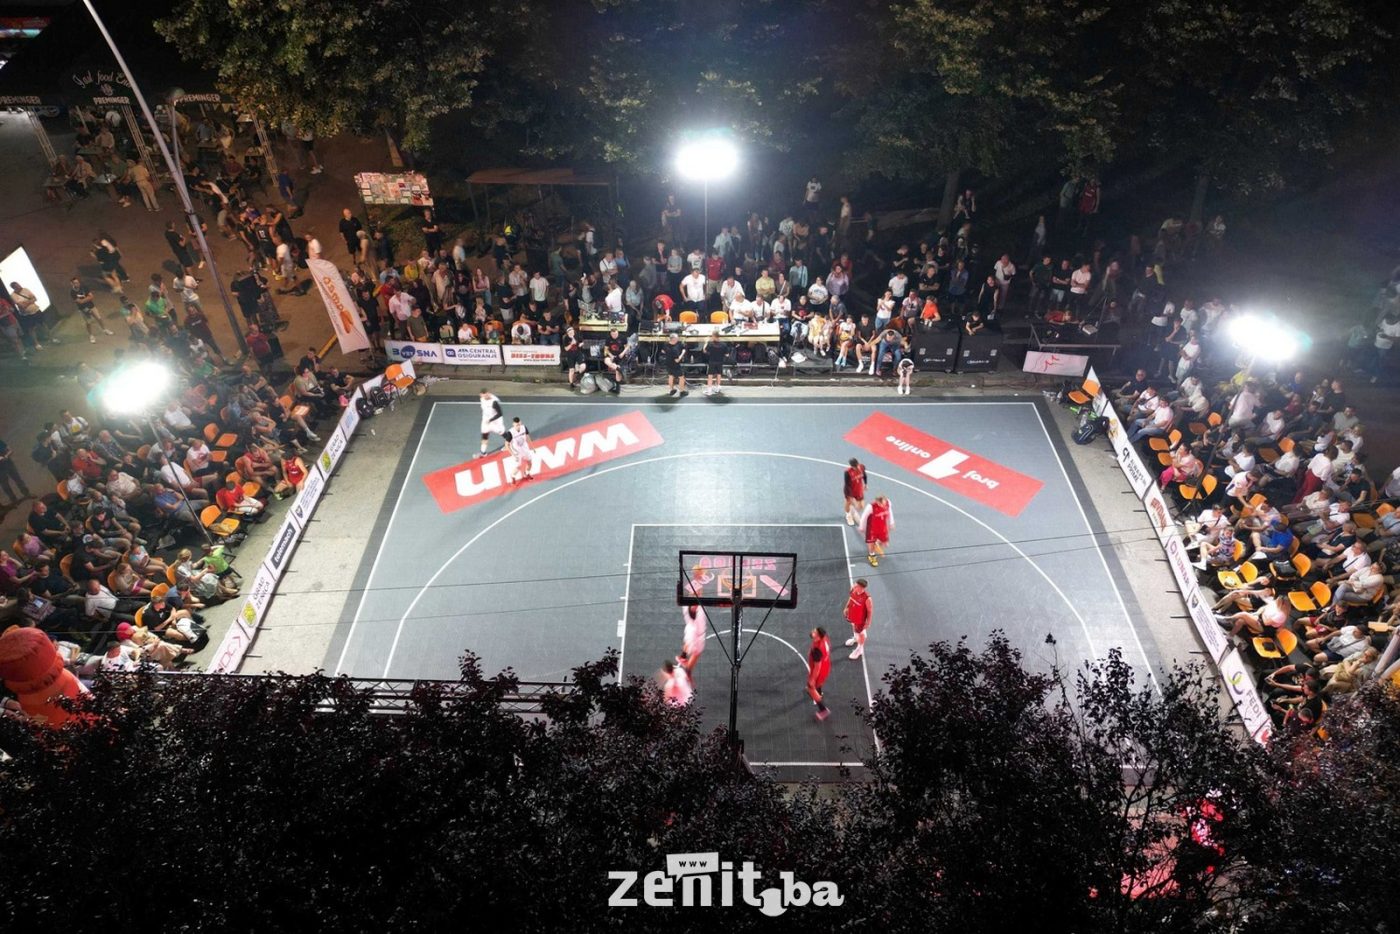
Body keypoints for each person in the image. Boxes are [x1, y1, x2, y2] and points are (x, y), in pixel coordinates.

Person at [860, 495, 894, 566]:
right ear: (878, 502)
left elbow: (890, 512)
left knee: (885, 544)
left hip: (882, 526)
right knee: (871, 543)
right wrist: (861, 526)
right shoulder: (870, 507)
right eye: (881, 504)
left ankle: (876, 542)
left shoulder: (888, 503)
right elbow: (864, 516)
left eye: (884, 504)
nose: (883, 506)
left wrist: (891, 522)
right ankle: (871, 555)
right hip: (872, 528)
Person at [807, 627, 832, 721]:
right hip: (826, 665)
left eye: (815, 632)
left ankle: (823, 710)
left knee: (811, 687)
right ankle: (819, 692)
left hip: (819, 670)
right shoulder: (824, 638)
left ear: (818, 637)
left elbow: (817, 667)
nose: (812, 632)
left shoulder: (817, 650)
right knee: (817, 684)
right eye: (814, 630)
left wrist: (812, 680)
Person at [843, 578, 872, 660]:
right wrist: (846, 607)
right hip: (852, 615)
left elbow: (870, 611)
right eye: (855, 584)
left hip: (860, 619)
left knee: (862, 633)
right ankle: (856, 639)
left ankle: (860, 649)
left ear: (862, 588)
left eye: (856, 586)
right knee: (854, 628)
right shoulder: (853, 590)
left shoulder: (867, 598)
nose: (854, 586)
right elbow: (851, 598)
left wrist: (868, 622)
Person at [477, 388, 506, 458]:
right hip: (486, 421)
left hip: (496, 421)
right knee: (485, 435)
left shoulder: (494, 402)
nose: (485, 396)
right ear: (481, 395)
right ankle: (483, 452)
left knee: (503, 433)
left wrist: (490, 420)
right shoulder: (482, 399)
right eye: (483, 395)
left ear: (489, 393)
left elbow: (500, 413)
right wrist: (487, 420)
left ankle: (510, 444)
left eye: (487, 394)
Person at [505, 417, 534, 484]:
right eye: (516, 425)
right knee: (518, 466)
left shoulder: (524, 428)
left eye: (519, 424)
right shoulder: (510, 433)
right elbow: (506, 445)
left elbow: (527, 437)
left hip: (525, 448)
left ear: (520, 422)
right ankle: (512, 476)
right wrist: (513, 454)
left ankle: (526, 473)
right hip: (516, 451)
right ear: (513, 424)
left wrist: (532, 446)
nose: (518, 426)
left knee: (529, 462)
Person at [680, 604, 706, 676]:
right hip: (695, 635)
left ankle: (683, 656)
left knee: (688, 643)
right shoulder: (696, 612)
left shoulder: (686, 607)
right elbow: (693, 609)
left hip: (690, 630)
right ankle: (687, 673)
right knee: (696, 653)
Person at [660, 332, 688, 398]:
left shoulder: (666, 345)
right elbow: (677, 360)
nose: (678, 339)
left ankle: (672, 390)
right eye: (677, 338)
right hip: (675, 365)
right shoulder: (674, 350)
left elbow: (663, 351)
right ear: (673, 339)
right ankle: (682, 391)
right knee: (681, 377)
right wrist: (683, 353)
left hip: (668, 363)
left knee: (670, 376)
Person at [843, 458, 867, 526]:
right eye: (854, 467)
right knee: (848, 502)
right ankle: (848, 515)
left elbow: (864, 475)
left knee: (861, 506)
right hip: (849, 490)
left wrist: (865, 484)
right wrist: (851, 496)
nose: (856, 468)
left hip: (859, 489)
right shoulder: (847, 472)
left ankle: (852, 511)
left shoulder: (862, 467)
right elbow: (847, 485)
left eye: (857, 466)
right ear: (851, 466)